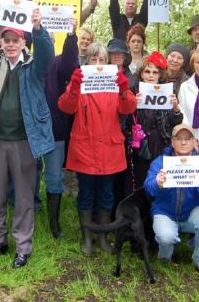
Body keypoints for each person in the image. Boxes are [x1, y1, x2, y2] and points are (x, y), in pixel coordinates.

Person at [0, 3, 55, 269]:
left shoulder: (33, 67)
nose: (10, 44)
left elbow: (47, 53)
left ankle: (23, 246)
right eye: (6, 40)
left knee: (23, 198)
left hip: (24, 143)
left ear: (23, 42)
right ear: (1, 42)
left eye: (15, 40)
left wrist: (38, 28)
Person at [58, 42, 136, 255]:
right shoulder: (80, 82)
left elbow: (129, 108)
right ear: (87, 61)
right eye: (94, 59)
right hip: (85, 149)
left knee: (107, 194)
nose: (99, 63)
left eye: (103, 60)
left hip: (109, 150)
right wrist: (73, 88)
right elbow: (65, 106)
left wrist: (124, 90)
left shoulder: (115, 82)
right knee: (86, 194)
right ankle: (87, 238)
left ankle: (102, 237)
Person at [144, 124, 199, 275]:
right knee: (165, 237)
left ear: (194, 142)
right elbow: (148, 188)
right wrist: (158, 183)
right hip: (165, 212)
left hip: (191, 213)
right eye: (179, 139)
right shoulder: (160, 162)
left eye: (187, 139)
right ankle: (165, 257)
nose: (183, 142)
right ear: (172, 142)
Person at [43, 23, 80, 238]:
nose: (47, 42)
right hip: (28, 131)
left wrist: (71, 35)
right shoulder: (27, 63)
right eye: (42, 38)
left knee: (54, 176)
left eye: (50, 38)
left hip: (55, 129)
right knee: (28, 175)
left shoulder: (60, 63)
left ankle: (54, 224)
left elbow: (69, 62)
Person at [126, 51, 183, 192]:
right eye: (147, 71)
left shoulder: (168, 92)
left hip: (161, 143)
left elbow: (175, 123)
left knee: (160, 181)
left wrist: (176, 107)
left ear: (160, 75)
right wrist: (132, 106)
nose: (151, 75)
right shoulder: (133, 92)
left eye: (155, 72)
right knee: (141, 181)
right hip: (141, 145)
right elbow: (126, 122)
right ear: (142, 74)